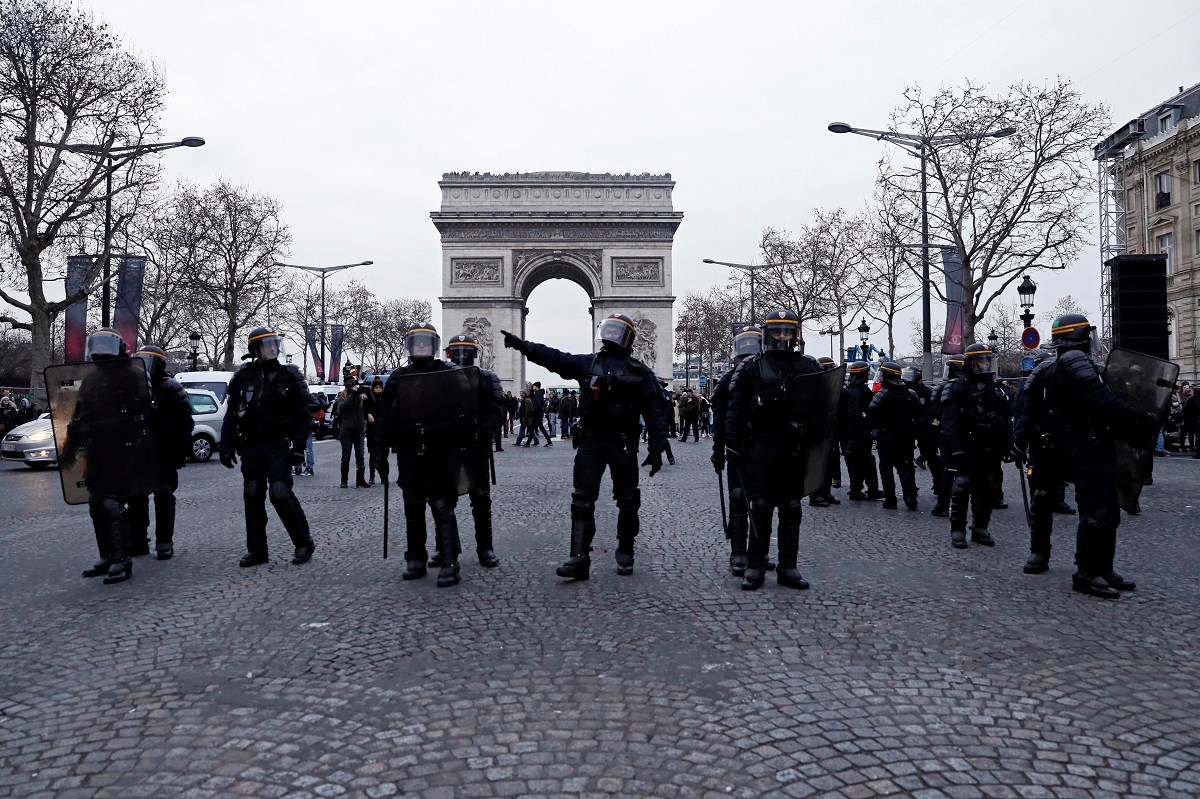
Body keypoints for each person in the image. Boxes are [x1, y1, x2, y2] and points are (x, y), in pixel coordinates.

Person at [502, 314, 666, 580]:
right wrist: (526, 347)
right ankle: (579, 558)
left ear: (627, 339)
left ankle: (626, 551)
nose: (612, 336)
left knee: (627, 500)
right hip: (592, 440)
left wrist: (657, 446)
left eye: (617, 332)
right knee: (581, 500)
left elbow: (654, 410)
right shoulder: (587, 364)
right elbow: (555, 358)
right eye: (609, 331)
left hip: (622, 442)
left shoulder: (640, 372)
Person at [1013, 314, 1155, 598]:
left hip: (1080, 444)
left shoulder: (1084, 367)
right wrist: (1019, 441)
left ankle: (1101, 567)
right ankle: (1059, 561)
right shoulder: (1066, 365)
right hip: (1063, 444)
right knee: (1051, 500)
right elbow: (1027, 408)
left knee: (1103, 508)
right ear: (1080, 337)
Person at [725, 309, 825, 591]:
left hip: (793, 448)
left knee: (792, 508)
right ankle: (755, 566)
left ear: (796, 334)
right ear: (768, 334)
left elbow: (822, 407)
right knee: (760, 507)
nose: (783, 336)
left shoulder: (808, 365)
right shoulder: (751, 366)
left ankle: (788, 567)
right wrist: (733, 444)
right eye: (778, 331)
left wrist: (817, 442)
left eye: (788, 331)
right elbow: (734, 408)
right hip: (761, 445)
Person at [376, 323, 474, 587]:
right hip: (409, 451)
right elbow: (385, 417)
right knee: (413, 505)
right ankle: (415, 557)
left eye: (425, 342)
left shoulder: (450, 373)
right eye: (416, 342)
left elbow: (465, 412)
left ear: (433, 346)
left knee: (442, 506)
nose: (420, 347)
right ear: (410, 346)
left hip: (442, 450)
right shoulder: (397, 377)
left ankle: (449, 562)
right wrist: (379, 454)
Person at [219, 326, 316, 567]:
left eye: (274, 343)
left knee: (280, 494)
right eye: (266, 345)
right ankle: (257, 550)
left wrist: (298, 447)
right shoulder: (242, 376)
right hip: (251, 445)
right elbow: (232, 413)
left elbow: (302, 414)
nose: (272, 348)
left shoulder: (289, 375)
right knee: (252, 494)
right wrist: (226, 444)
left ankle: (303, 542)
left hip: (277, 444)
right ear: (255, 349)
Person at [67, 328, 150, 584]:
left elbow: (145, 411)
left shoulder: (132, 375)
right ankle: (106, 555)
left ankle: (121, 559)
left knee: (112, 504)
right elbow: (79, 414)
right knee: (96, 504)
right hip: (97, 449)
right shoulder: (91, 380)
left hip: (123, 449)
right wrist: (71, 447)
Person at [429, 333, 504, 569]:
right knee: (443, 501)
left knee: (480, 499)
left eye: (466, 353)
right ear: (449, 354)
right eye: (457, 352)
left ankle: (485, 548)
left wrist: (480, 436)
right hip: (446, 448)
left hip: (475, 448)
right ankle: (447, 548)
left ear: (474, 355)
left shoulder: (487, 378)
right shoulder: (437, 379)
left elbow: (497, 414)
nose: (462, 357)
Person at [939, 343, 1012, 549]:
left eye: (987, 360)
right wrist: (956, 448)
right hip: (967, 443)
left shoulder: (995, 388)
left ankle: (980, 527)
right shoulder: (957, 386)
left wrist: (1007, 444)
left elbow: (1007, 417)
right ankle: (958, 529)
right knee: (962, 486)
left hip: (989, 445)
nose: (985, 364)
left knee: (988, 487)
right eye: (981, 360)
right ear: (971, 363)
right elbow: (949, 421)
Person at [126, 345, 193, 560]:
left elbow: (185, 423)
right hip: (139, 450)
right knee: (137, 496)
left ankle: (164, 541)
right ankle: (137, 541)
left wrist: (181, 452)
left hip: (164, 450)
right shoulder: (133, 387)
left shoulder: (172, 388)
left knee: (164, 493)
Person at [711, 325, 766, 576]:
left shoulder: (730, 379)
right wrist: (719, 449)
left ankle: (754, 553)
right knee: (742, 500)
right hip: (741, 448)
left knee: (755, 502)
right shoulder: (730, 380)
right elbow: (721, 419)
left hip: (755, 448)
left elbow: (718, 422)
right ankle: (739, 553)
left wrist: (718, 449)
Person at [868, 361, 921, 511]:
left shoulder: (883, 394)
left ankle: (890, 500)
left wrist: (876, 429)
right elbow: (918, 413)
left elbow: (872, 412)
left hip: (887, 436)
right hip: (906, 437)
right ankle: (910, 497)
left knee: (886, 468)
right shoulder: (910, 394)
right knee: (905, 467)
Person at [842, 361, 884, 502]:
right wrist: (863, 428)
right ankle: (857, 490)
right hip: (857, 433)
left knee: (866, 460)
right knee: (858, 462)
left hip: (859, 431)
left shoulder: (855, 389)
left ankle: (870, 489)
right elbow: (854, 414)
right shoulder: (855, 391)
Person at [907, 366, 945, 513]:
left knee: (931, 457)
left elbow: (932, 411)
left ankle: (938, 485)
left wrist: (919, 422)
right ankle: (911, 490)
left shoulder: (926, 392)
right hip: (912, 428)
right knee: (907, 460)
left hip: (925, 428)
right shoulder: (904, 390)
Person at [808, 356, 844, 507]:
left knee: (830, 462)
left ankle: (825, 491)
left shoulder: (829, 387)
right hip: (818, 431)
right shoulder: (813, 389)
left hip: (830, 430)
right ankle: (815, 494)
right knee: (818, 465)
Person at [335, 375, 372, 488]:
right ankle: (344, 480)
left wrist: (367, 391)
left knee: (360, 456)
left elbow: (371, 402)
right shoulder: (342, 398)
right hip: (346, 431)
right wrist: (353, 395)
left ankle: (360, 479)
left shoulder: (360, 397)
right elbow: (342, 408)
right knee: (346, 456)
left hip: (359, 431)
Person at [365, 377, 385, 482]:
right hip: (372, 430)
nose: (378, 389)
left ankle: (383, 476)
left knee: (382, 454)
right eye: (376, 387)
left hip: (382, 430)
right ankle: (372, 475)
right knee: (372, 454)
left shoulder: (385, 399)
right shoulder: (369, 399)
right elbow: (364, 410)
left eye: (379, 387)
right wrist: (368, 414)